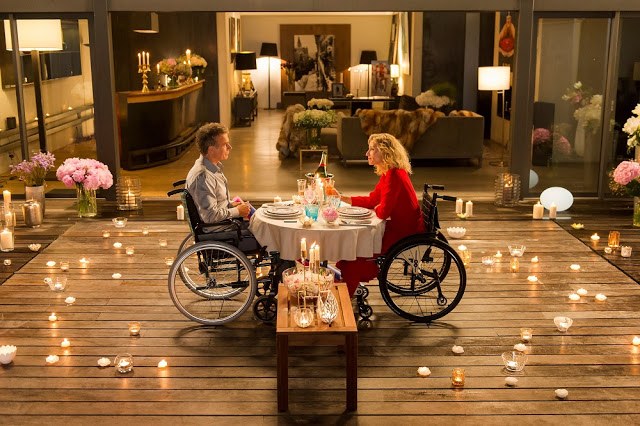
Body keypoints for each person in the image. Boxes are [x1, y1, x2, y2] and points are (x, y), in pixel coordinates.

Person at [336, 133, 425, 296]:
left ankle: (345, 295)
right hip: (400, 227)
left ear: (385, 152)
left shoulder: (394, 175)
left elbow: (383, 212)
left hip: (403, 233)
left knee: (357, 252)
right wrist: (342, 198)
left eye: (372, 149)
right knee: (355, 247)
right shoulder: (390, 173)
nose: (367, 153)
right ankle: (345, 287)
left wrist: (378, 207)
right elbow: (372, 200)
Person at [186, 122, 259, 252]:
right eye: (225, 144)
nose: (230, 147)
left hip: (223, 225)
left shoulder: (212, 169)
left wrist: (231, 205)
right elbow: (210, 216)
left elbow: (213, 205)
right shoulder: (203, 177)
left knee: (262, 224)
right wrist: (237, 211)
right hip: (219, 232)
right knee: (265, 231)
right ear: (211, 150)